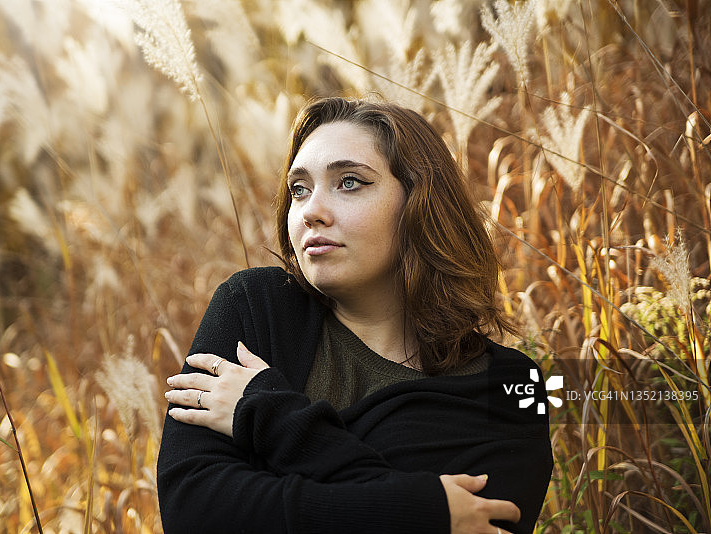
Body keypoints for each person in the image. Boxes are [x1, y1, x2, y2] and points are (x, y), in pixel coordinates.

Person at [157, 97, 553, 533]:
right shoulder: (256, 309)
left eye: (349, 182)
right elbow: (194, 512)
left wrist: (268, 415)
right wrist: (417, 509)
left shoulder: (507, 390)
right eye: (299, 189)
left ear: (420, 202)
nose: (311, 212)